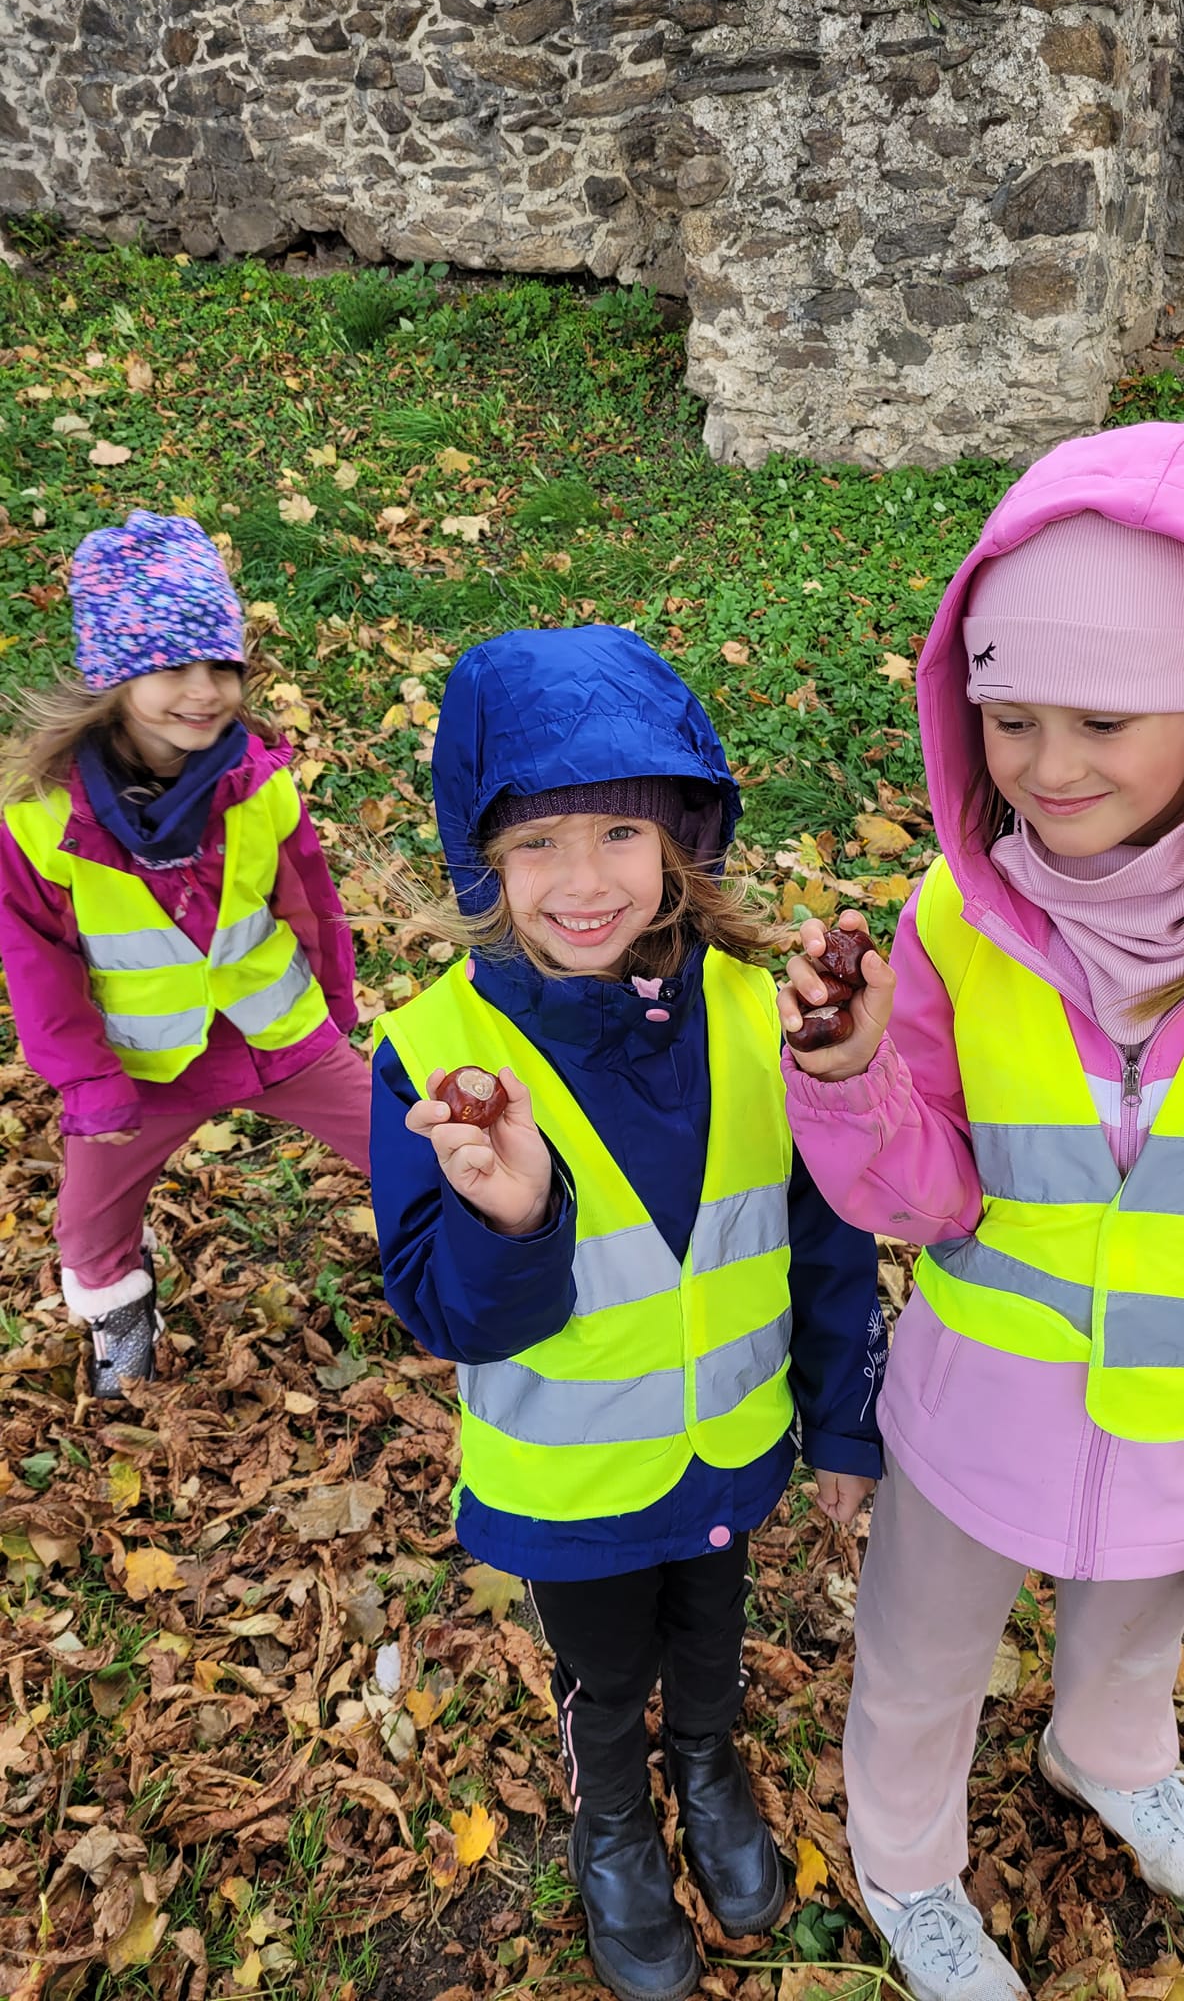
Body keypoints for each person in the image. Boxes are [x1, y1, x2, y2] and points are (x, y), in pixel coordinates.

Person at [778, 423, 1184, 2001]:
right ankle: (907, 1862)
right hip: (975, 1414)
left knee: (1135, 1640)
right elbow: (922, 1192)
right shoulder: (959, 918)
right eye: (1010, 717)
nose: (1047, 765)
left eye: (1103, 719)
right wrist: (854, 1076)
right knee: (920, 1662)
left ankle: (1110, 1753)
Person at [371, 624, 883, 2001]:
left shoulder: (753, 1009)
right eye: (536, 842)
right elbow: (446, 1313)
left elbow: (824, 1232)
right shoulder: (435, 1054)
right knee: (605, 1668)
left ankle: (707, 1766)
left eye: (618, 832)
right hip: (576, 1481)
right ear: (482, 860)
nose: (584, 881)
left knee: (711, 1633)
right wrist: (514, 1218)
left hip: (731, 1445)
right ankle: (614, 1819)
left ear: (680, 839)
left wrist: (843, 1423)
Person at [0, 511, 370, 1398]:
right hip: (140, 1067)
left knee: (404, 1147)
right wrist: (87, 1081)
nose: (204, 691)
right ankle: (122, 1317)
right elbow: (38, 962)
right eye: (172, 668)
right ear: (115, 675)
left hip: (278, 1035)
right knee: (89, 1223)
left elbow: (311, 903)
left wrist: (335, 1006)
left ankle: (468, 1277)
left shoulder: (260, 786)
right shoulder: (41, 817)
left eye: (222, 666)